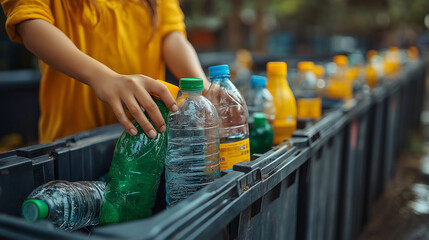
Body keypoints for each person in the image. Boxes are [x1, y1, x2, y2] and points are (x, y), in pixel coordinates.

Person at [1, 0, 210, 143]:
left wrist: (203, 86)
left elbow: (171, 35)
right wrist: (101, 77)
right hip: (73, 142)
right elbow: (30, 21)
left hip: (146, 140)